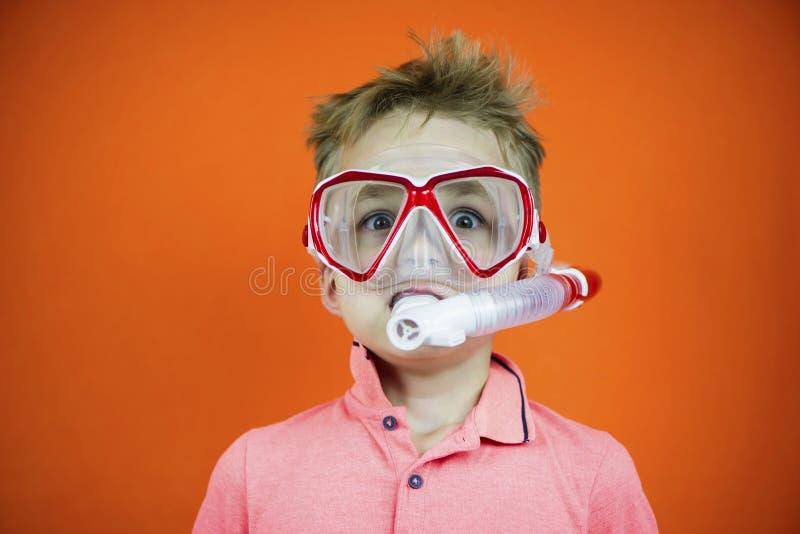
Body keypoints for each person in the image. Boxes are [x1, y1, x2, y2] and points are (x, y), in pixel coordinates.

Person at [193, 30, 658, 533]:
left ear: (525, 272)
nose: (418, 250)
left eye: (464, 218)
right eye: (377, 221)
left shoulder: (594, 476)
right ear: (331, 278)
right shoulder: (254, 473)